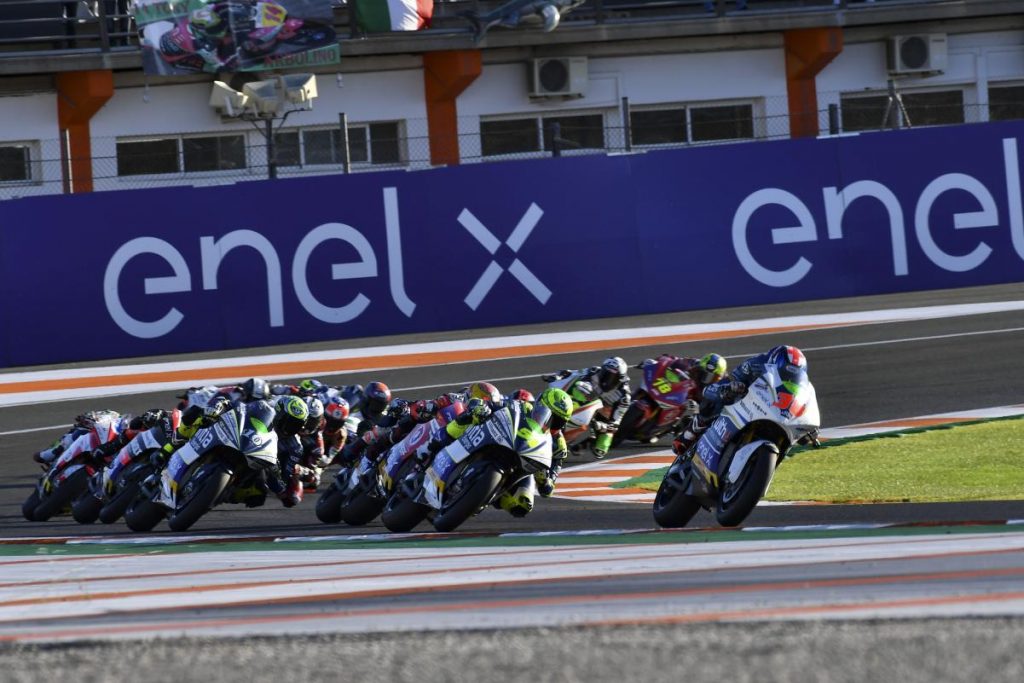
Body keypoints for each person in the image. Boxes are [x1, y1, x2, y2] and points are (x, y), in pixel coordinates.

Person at [673, 345, 807, 454]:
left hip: (771, 409)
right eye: (786, 369)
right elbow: (732, 378)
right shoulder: (755, 363)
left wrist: (804, 423)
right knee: (720, 396)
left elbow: (801, 400)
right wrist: (730, 387)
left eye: (794, 372)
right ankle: (692, 431)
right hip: (744, 400)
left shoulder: (798, 384)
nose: (789, 376)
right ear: (776, 362)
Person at [542, 356, 631, 457]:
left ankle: (586, 441)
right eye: (605, 374)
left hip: (603, 416)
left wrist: (603, 426)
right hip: (585, 400)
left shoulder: (624, 396)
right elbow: (572, 373)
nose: (607, 379)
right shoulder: (594, 371)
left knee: (600, 450)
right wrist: (557, 376)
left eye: (612, 377)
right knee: (574, 388)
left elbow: (616, 422)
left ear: (620, 379)